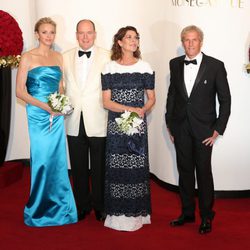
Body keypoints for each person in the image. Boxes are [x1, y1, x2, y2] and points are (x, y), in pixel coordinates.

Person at [165, 25, 231, 234]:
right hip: (181, 128)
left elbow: (225, 100)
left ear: (201, 42)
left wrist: (218, 129)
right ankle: (187, 213)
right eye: (186, 40)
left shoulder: (215, 66)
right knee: (184, 172)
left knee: (203, 173)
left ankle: (206, 215)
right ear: (182, 42)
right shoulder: (174, 64)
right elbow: (172, 96)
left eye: (194, 40)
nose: (190, 44)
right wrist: (170, 124)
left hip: (204, 130)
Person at [16, 17, 77, 227]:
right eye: (44, 32)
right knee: (42, 160)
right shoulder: (27, 57)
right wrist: (46, 107)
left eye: (52, 32)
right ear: (37, 34)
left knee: (57, 161)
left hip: (55, 114)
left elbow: (60, 86)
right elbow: (19, 92)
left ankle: (61, 208)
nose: (49, 36)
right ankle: (39, 209)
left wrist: (61, 103)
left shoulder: (58, 56)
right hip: (37, 113)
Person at [101, 26, 156, 231]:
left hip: (136, 127)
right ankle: (116, 216)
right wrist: (129, 109)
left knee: (135, 168)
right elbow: (106, 102)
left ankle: (136, 216)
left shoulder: (145, 66)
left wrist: (141, 110)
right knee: (117, 169)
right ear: (120, 42)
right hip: (116, 127)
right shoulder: (109, 67)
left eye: (136, 37)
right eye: (129, 37)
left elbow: (152, 99)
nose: (133, 40)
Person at [63, 19, 110, 221]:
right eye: (81, 33)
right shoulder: (64, 57)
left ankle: (100, 206)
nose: (85, 37)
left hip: (99, 118)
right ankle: (81, 205)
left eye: (89, 32)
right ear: (76, 34)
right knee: (78, 166)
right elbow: (61, 86)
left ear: (95, 34)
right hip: (73, 119)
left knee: (99, 167)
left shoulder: (108, 57)